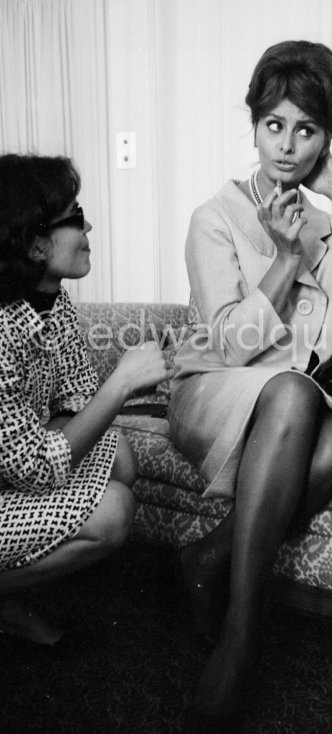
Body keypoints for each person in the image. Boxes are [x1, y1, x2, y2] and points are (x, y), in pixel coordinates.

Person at [168, 40, 332, 722]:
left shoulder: (329, 226)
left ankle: (210, 554)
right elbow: (235, 347)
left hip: (291, 403)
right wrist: (281, 256)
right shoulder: (213, 218)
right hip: (214, 390)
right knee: (298, 393)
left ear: (327, 140)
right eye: (274, 124)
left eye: (307, 129)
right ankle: (242, 640)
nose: (286, 145)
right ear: (253, 126)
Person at [0, 154, 171, 645]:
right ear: (35, 243)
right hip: (13, 478)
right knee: (114, 511)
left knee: (120, 458)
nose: (88, 224)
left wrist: (125, 385)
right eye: (75, 216)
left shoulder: (53, 300)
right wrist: (120, 384)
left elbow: (75, 395)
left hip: (15, 469)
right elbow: (35, 468)